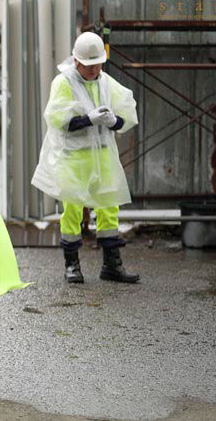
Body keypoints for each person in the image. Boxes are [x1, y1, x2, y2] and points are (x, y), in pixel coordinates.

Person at [32, 31, 140, 284]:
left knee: (108, 207)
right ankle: (72, 266)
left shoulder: (105, 81)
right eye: (89, 65)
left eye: (98, 64)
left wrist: (115, 121)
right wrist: (88, 119)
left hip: (102, 156)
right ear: (76, 61)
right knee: (71, 209)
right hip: (74, 158)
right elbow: (58, 121)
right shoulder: (64, 82)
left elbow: (126, 117)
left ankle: (111, 266)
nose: (94, 70)